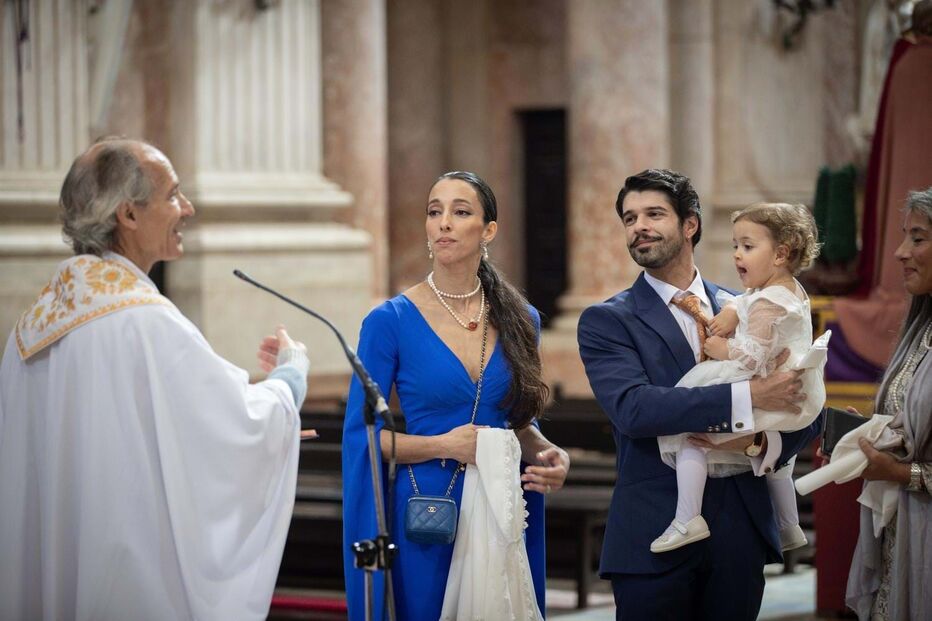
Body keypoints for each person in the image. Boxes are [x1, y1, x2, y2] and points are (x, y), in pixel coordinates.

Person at [0, 138, 310, 621]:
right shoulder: (144, 322)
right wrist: (289, 380)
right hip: (126, 586)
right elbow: (237, 429)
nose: (186, 208)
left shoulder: (29, 330)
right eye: (172, 195)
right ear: (127, 214)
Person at [577, 169, 823, 620]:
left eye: (653, 214)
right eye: (629, 218)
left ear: (690, 224)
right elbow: (635, 409)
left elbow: (805, 400)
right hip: (655, 526)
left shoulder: (751, 304)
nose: (639, 227)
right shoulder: (608, 320)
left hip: (740, 529)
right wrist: (751, 397)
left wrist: (759, 442)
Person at [341, 171, 570, 621]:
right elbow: (364, 439)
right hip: (428, 509)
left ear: (488, 231)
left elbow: (519, 421)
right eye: (434, 211)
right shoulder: (389, 321)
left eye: (460, 212)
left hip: (504, 501)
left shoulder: (522, 318)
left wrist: (548, 453)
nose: (444, 222)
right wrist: (445, 445)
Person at [653, 202, 827, 554]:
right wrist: (732, 310)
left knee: (691, 438)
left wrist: (720, 349)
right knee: (781, 463)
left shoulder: (770, 301)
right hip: (799, 394)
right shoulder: (781, 291)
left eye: (747, 247)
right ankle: (789, 524)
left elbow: (754, 356)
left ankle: (687, 518)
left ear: (780, 254)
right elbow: (746, 303)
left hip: (772, 386)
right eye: (735, 245)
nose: (736, 255)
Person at [846, 187, 932, 621]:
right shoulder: (922, 329)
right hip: (905, 536)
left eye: (918, 238)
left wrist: (900, 472)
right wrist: (866, 436)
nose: (901, 252)